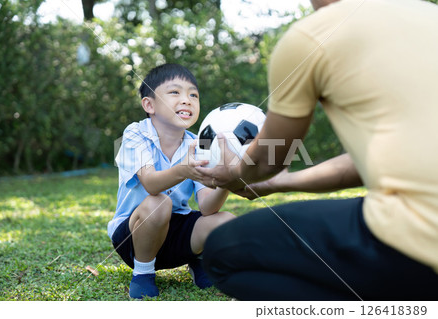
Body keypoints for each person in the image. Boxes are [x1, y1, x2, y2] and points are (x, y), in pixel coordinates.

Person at [198, 0, 438, 300]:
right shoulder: (428, 12)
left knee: (223, 252)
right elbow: (373, 159)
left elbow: (266, 160)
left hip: (420, 241)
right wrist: (280, 183)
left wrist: (234, 173)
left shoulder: (311, 37)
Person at [108, 63, 235, 299]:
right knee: (159, 202)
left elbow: (207, 207)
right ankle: (143, 273)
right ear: (149, 104)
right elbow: (151, 184)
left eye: (193, 95)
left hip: (177, 233)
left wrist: (226, 181)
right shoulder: (136, 133)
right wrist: (183, 170)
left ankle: (197, 258)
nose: (186, 100)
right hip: (135, 236)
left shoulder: (200, 143)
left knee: (226, 221)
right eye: (175, 92)